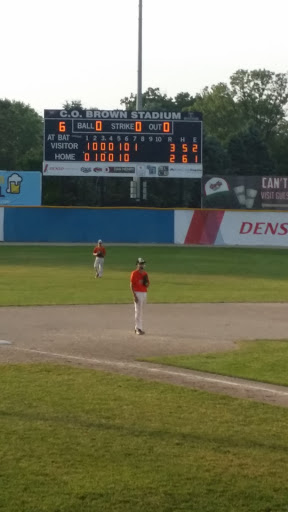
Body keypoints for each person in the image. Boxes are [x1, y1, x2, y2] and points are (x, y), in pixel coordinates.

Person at [130, 257, 150, 335]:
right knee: (138, 312)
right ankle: (138, 328)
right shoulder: (134, 273)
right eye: (140, 264)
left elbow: (147, 284)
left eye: (143, 264)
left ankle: (138, 328)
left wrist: (146, 283)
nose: (142, 265)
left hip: (144, 293)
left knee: (140, 311)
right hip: (137, 293)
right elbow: (131, 285)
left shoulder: (145, 273)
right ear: (137, 265)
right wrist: (134, 296)